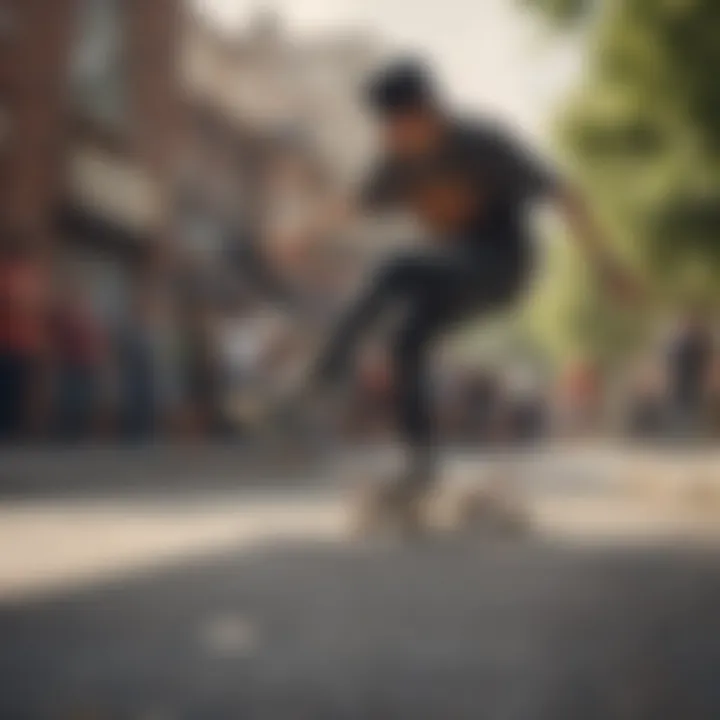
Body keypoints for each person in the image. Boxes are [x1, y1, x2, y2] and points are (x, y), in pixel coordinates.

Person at [294, 59, 638, 528]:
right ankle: (421, 466)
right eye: (387, 128)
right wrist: (302, 234)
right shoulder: (397, 162)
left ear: (428, 112)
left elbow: (563, 194)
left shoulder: (483, 143)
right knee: (404, 344)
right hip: (450, 273)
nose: (392, 139)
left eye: (399, 125)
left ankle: (322, 375)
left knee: (395, 265)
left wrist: (608, 267)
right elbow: (352, 204)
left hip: (502, 266)